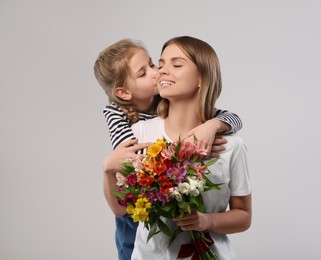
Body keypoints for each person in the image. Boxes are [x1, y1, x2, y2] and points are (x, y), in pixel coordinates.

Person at [94, 38, 244, 259]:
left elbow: (235, 119)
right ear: (124, 93)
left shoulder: (164, 99)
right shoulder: (120, 116)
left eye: (154, 65)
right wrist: (187, 149)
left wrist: (213, 126)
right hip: (135, 216)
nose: (158, 73)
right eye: (143, 73)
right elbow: (136, 159)